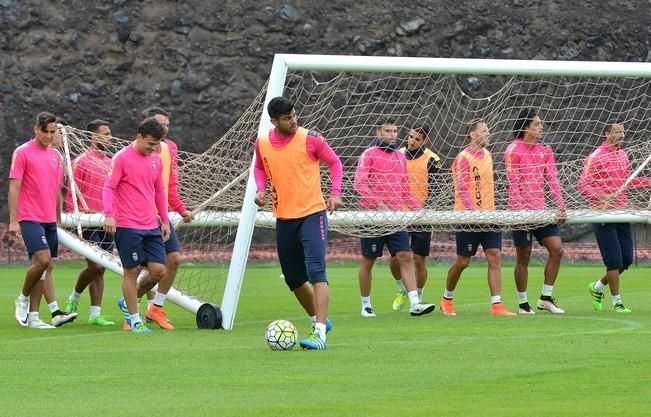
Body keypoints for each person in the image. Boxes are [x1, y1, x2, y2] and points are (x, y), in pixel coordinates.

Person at [254, 96, 342, 350]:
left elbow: (334, 163)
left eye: (294, 115)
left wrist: (335, 193)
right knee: (293, 278)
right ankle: (319, 320)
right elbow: (260, 168)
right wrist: (261, 189)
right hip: (284, 218)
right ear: (273, 121)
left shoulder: (311, 138)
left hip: (313, 215)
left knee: (317, 271)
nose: (294, 121)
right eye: (287, 118)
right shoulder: (262, 143)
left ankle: (319, 334)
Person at [354, 118, 436, 318]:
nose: (392, 134)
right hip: (372, 218)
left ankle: (415, 303)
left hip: (396, 218)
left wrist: (420, 212)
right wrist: (378, 203)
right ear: (378, 133)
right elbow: (359, 184)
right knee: (368, 261)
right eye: (388, 131)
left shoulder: (400, 158)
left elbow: (406, 191)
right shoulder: (369, 155)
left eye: (395, 130)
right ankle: (366, 305)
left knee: (405, 257)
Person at [439, 118, 516, 317]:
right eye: (484, 130)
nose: (488, 133)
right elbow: (463, 190)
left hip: (489, 217)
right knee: (463, 262)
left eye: (488, 130)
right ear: (472, 134)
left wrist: (488, 213)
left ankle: (497, 305)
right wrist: (475, 214)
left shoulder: (489, 155)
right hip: (468, 218)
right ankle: (447, 298)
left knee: (495, 257)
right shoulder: (462, 158)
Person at [103, 117, 170, 334]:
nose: (153, 148)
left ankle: (128, 301)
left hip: (150, 224)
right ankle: (134, 319)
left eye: (156, 145)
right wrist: (109, 215)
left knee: (159, 271)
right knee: (130, 272)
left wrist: (165, 219)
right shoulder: (121, 158)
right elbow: (109, 187)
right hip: (127, 224)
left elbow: (159, 190)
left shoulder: (156, 159)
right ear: (139, 136)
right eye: (150, 144)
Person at [134, 106, 193, 331]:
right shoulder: (134, 151)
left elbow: (170, 186)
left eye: (167, 125)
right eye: (160, 125)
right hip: (138, 218)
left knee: (174, 259)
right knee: (138, 269)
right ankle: (132, 311)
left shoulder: (170, 149)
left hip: (161, 217)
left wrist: (181, 209)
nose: (165, 130)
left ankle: (155, 307)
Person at [578, 122, 645, 314]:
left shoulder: (623, 155)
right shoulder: (595, 156)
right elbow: (583, 186)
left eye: (623, 131)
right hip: (602, 213)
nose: (621, 135)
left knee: (626, 261)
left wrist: (648, 182)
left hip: (621, 213)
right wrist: (603, 196)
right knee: (614, 261)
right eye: (617, 132)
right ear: (607, 134)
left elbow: (628, 183)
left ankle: (598, 287)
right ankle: (617, 302)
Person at [504, 108, 566, 315]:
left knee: (557, 249)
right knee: (524, 256)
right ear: (526, 127)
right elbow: (513, 183)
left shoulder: (545, 151)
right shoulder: (513, 150)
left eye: (541, 124)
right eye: (537, 124)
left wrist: (560, 205)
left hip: (541, 211)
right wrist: (521, 214)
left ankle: (546, 298)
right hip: (520, 212)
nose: (541, 127)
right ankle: (523, 304)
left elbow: (553, 180)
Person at [8, 112, 65, 329]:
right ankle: (22, 298)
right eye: (45, 131)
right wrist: (14, 220)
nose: (49, 136)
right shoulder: (22, 152)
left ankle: (33, 316)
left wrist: (58, 217)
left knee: (43, 266)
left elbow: (57, 188)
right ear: (36, 129)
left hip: (49, 218)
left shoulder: (56, 157)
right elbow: (14, 186)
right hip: (29, 216)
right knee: (43, 261)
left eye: (53, 132)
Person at [62, 119, 115, 326]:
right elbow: (71, 194)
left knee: (102, 268)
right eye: (106, 134)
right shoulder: (81, 161)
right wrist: (76, 215)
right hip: (86, 221)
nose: (110, 138)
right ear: (94, 136)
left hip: (107, 221)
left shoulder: (111, 163)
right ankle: (74, 297)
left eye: (111, 134)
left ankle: (95, 315)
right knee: (94, 265)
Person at [390, 126, 443, 310]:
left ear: (424, 141)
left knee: (419, 260)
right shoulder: (397, 155)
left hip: (421, 217)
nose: (412, 141)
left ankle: (418, 297)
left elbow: (436, 191)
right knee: (395, 259)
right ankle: (402, 290)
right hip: (399, 215)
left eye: (417, 139)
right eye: (411, 137)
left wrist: (422, 212)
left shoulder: (433, 160)